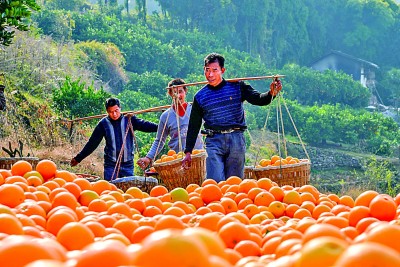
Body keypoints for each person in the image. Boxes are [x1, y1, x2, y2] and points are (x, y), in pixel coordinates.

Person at [182, 52, 282, 182]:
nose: (210, 74)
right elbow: (194, 125)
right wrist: (188, 151)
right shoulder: (200, 96)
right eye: (207, 70)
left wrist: (271, 94)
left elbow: (258, 99)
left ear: (222, 70)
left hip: (236, 139)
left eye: (214, 70)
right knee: (214, 181)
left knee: (234, 183)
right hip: (214, 140)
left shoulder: (237, 87)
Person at [70, 97, 158, 181]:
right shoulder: (103, 124)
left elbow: (146, 125)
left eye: (116, 110)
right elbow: (92, 143)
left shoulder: (129, 119)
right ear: (107, 111)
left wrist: (162, 128)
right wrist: (78, 158)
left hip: (128, 164)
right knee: (111, 190)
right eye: (111, 112)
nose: (114, 114)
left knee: (128, 191)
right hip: (111, 165)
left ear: (120, 108)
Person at [137, 78, 203, 170]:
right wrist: (148, 158)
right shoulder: (166, 116)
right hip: (177, 161)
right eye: (174, 92)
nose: (178, 95)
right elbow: (159, 140)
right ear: (170, 94)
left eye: (180, 92)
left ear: (185, 91)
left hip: (198, 158)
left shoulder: (195, 110)